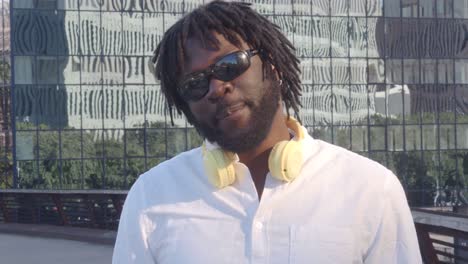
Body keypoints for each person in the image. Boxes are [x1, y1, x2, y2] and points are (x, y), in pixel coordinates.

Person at [112, 1, 422, 263]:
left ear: (271, 65)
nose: (218, 88)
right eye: (195, 84)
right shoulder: (151, 196)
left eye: (230, 64)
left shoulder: (370, 188)